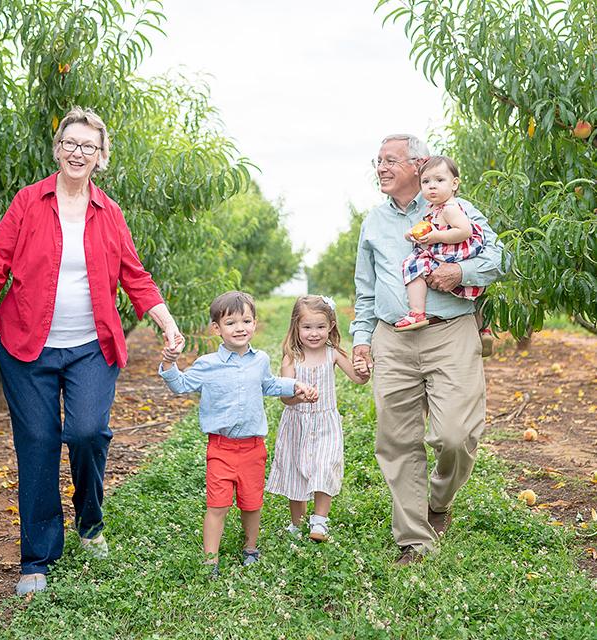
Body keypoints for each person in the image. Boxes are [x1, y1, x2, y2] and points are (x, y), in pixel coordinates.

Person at [0, 107, 183, 596]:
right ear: (57, 148)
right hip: (27, 349)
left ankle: (89, 522)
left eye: (89, 146)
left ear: (101, 156)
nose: (78, 152)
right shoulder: (27, 202)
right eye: (71, 143)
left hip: (91, 347)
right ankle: (37, 559)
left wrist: (166, 322)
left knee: (87, 432)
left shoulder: (108, 213)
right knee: (38, 446)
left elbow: (135, 275)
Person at [351, 134, 506, 565]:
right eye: (377, 161)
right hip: (393, 337)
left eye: (390, 161)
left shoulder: (451, 206)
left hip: (450, 330)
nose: (380, 168)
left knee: (457, 435)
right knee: (397, 439)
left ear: (418, 166)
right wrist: (362, 341)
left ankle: (438, 501)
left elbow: (500, 258)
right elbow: (365, 290)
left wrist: (460, 270)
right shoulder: (374, 223)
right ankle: (414, 539)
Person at [158, 290, 318, 577]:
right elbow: (180, 385)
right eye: (231, 323)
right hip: (220, 448)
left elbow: (268, 385)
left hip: (253, 448)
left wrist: (295, 386)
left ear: (254, 324)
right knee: (217, 505)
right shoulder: (207, 364)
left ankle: (251, 548)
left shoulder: (261, 360)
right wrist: (169, 363)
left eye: (246, 321)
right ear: (217, 329)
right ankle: (210, 560)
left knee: (252, 502)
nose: (240, 328)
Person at [266, 295, 370, 542]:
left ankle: (320, 522)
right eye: (307, 327)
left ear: (331, 326)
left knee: (325, 466)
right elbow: (285, 397)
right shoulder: (291, 357)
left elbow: (358, 379)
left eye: (320, 327)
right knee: (296, 471)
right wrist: (298, 395)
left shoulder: (332, 354)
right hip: (297, 423)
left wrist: (364, 370)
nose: (314, 333)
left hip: (325, 423)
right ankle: (296, 523)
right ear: (296, 327)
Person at [395, 156, 486, 330]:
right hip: (443, 250)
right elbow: (428, 227)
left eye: (439, 180)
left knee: (414, 265)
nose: (432, 185)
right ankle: (482, 326)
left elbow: (464, 231)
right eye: (426, 181)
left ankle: (416, 312)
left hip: (452, 251)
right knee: (416, 264)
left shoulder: (450, 208)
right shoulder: (434, 208)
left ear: (454, 184)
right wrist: (413, 234)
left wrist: (437, 237)